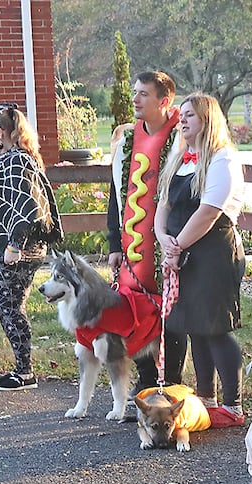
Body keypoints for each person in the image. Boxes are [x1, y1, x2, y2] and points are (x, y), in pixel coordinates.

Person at [155, 93, 247, 420]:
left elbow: (208, 211)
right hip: (181, 252)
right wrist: (164, 239)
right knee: (195, 326)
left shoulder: (223, 159)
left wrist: (175, 246)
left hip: (213, 254)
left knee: (216, 327)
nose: (182, 120)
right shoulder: (179, 159)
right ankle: (207, 398)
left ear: (207, 120)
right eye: (182, 115)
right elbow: (163, 205)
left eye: (190, 115)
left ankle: (233, 405)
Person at [0, 103, 61, 391]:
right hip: (1, 251)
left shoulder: (17, 161)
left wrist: (14, 245)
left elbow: (26, 206)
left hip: (15, 251)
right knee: (7, 307)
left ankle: (25, 371)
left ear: (0, 132)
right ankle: (22, 368)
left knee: (11, 308)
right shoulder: (6, 160)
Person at [107, 71, 185, 390]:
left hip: (169, 242)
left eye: (143, 94)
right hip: (133, 246)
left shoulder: (182, 136)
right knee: (134, 310)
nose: (135, 99)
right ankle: (147, 380)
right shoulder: (127, 141)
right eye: (134, 92)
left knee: (172, 313)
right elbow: (116, 194)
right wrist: (114, 243)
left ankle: (173, 383)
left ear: (164, 101)